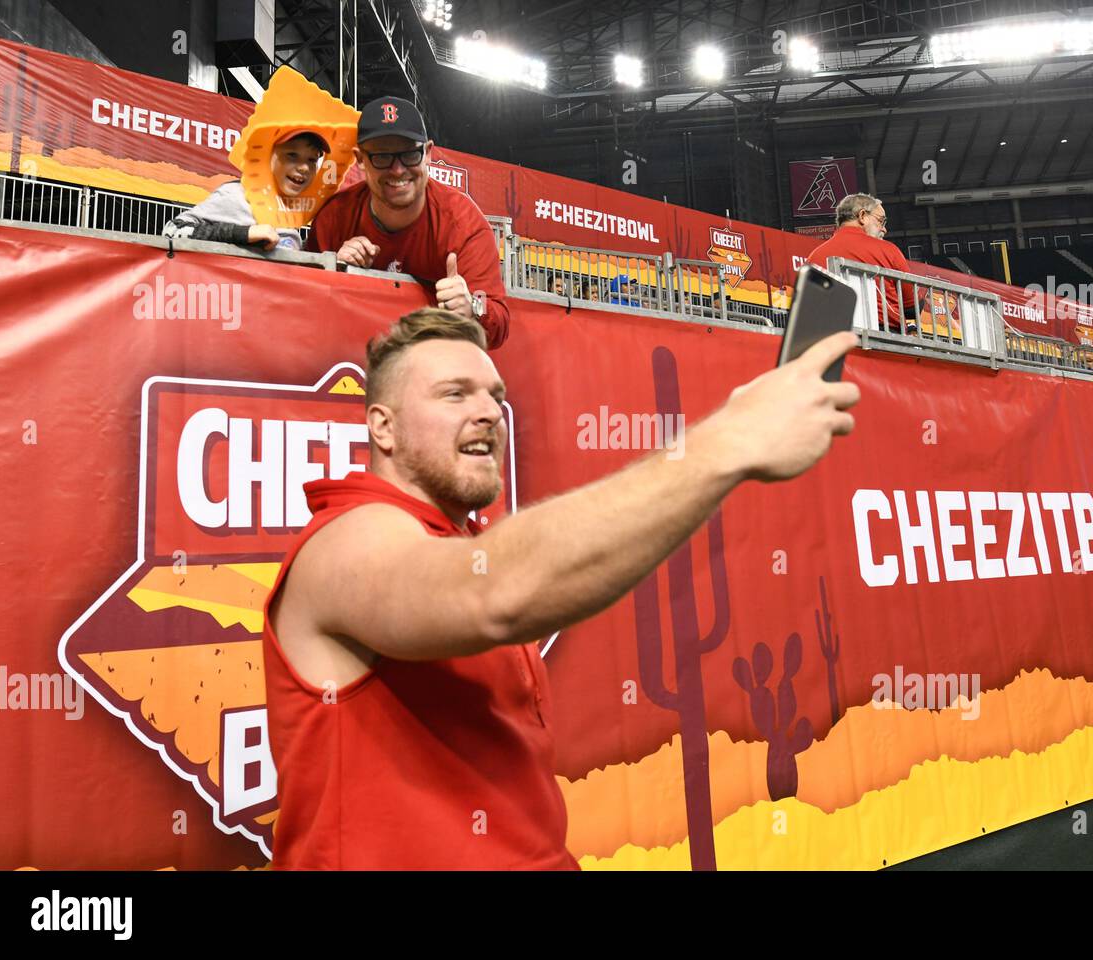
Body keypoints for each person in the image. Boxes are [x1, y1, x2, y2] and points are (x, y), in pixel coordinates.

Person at [262, 307, 861, 869]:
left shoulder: (452, 544)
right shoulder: (343, 539)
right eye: (454, 394)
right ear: (382, 429)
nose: (490, 412)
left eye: (495, 396)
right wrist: (729, 441)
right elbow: (494, 594)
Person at [306, 97, 509, 349]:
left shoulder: (463, 224)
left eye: (410, 154)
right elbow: (303, 307)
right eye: (382, 156)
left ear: (428, 153)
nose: (398, 170)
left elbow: (499, 324)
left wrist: (473, 308)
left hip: (434, 358)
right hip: (350, 357)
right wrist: (335, 274)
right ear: (360, 159)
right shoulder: (334, 217)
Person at [165, 132, 329, 250]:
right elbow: (171, 231)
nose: (304, 168)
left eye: (312, 160)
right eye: (292, 155)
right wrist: (243, 233)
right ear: (266, 156)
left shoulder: (291, 209)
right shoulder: (237, 193)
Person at [807, 193, 917, 333]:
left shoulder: (814, 256)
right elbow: (912, 307)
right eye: (881, 221)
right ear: (863, 216)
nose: (884, 229)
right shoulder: (888, 250)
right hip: (886, 337)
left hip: (833, 340)